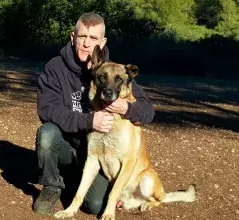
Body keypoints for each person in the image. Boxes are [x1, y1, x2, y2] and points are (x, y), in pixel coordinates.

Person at [33, 12, 155, 216]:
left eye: (93, 38)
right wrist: (89, 120)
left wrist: (127, 108)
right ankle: (52, 186)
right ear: (73, 37)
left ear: (103, 42)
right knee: (46, 133)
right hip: (67, 144)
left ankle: (80, 182)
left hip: (99, 154)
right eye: (82, 37)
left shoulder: (114, 71)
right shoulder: (55, 68)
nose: (87, 44)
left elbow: (148, 110)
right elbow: (47, 109)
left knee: (94, 206)